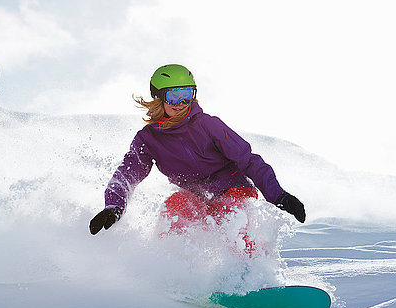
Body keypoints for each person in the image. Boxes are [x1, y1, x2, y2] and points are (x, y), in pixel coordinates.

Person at [89, 64, 306, 239]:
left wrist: (279, 195)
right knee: (173, 210)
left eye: (187, 94)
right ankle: (178, 277)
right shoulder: (147, 139)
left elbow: (248, 160)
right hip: (196, 196)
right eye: (174, 96)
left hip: (233, 189)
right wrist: (114, 206)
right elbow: (127, 174)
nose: (182, 103)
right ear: (158, 98)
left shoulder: (207, 125)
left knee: (233, 216)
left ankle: (248, 274)